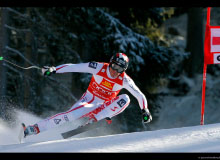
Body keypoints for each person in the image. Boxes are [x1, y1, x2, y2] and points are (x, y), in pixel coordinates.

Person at [23, 53, 152, 137]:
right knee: (69, 116)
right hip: (89, 100)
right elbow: (74, 67)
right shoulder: (98, 67)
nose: (114, 71)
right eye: (113, 66)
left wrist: (145, 110)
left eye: (119, 69)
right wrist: (55, 69)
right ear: (110, 63)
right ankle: (34, 129)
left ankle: (95, 119)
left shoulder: (125, 80)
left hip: (105, 106)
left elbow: (140, 95)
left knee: (126, 98)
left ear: (123, 70)